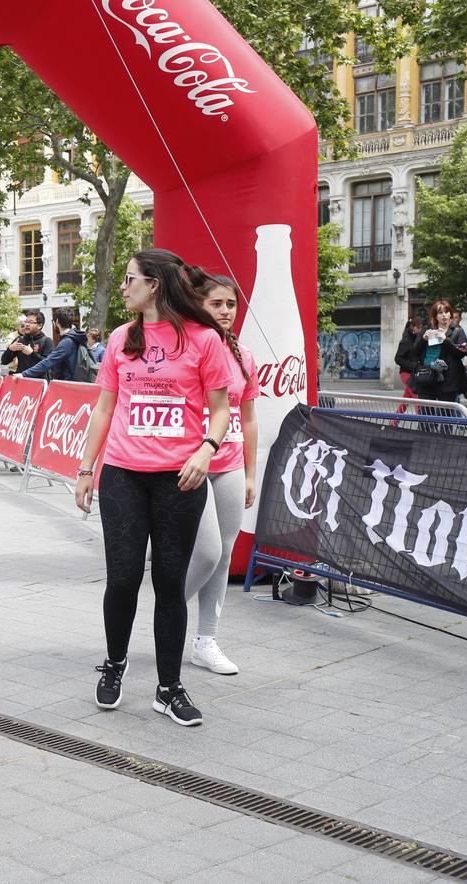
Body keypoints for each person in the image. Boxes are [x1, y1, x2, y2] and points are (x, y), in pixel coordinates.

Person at [74, 250, 232, 727]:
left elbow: (221, 409)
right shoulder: (123, 338)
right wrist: (86, 469)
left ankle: (169, 688)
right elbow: (104, 408)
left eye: (130, 279)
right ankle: (115, 665)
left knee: (169, 584)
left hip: (179, 478)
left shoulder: (205, 340)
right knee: (122, 578)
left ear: (155, 285)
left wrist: (206, 449)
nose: (123, 287)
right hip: (123, 473)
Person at [182, 275, 258, 676]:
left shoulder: (244, 354)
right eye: (217, 304)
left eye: (231, 303)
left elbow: (247, 417)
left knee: (224, 553)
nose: (226, 310)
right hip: (191, 462)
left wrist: (249, 473)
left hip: (228, 464)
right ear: (199, 305)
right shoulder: (185, 346)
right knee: (208, 551)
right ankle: (169, 613)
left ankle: (205, 640)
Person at [401, 300, 467, 403]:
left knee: (446, 415)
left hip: (448, 381)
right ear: (435, 316)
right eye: (440, 313)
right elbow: (413, 353)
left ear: (450, 314)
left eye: (446, 312)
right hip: (427, 378)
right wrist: (423, 340)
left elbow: (461, 353)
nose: (444, 315)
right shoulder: (427, 329)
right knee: (426, 415)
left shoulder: (457, 331)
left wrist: (445, 340)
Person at [20, 307, 86, 381]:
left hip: (68, 386)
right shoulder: (74, 338)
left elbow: (48, 362)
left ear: (57, 322)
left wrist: (23, 374)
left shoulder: (67, 342)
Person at [1, 309, 51, 375]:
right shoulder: (20, 340)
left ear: (39, 326)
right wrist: (10, 349)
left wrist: (32, 354)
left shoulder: (47, 341)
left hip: (39, 382)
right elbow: (4, 361)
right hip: (22, 382)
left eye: (30, 322)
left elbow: (48, 364)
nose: (27, 324)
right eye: (26, 322)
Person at [395, 314, 424, 397]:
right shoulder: (406, 341)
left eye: (421, 328)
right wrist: (413, 365)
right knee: (417, 398)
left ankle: (399, 411)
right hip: (406, 373)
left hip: (413, 373)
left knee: (406, 399)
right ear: (412, 327)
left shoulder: (417, 338)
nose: (420, 330)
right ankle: (420, 411)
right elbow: (397, 358)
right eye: (418, 328)